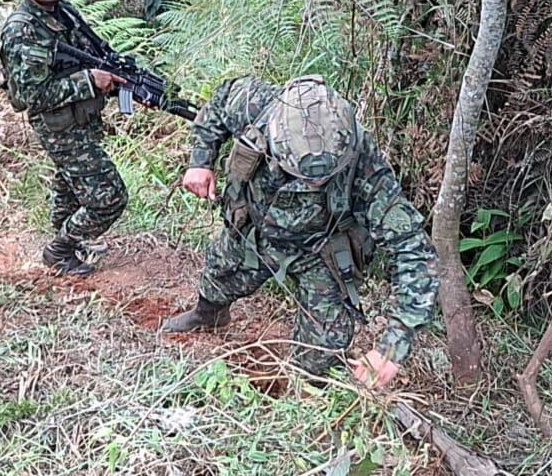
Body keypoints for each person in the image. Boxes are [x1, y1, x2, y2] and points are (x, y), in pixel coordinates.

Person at [162, 75, 439, 388]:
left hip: (321, 252)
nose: (311, 185)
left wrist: (392, 347)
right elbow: (216, 106)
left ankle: (307, 389)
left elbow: (413, 250)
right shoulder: (255, 104)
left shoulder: (363, 160)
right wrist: (200, 161)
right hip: (254, 232)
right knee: (218, 275)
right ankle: (209, 314)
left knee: (320, 358)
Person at [0, 0, 129, 276]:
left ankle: (66, 236)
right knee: (108, 198)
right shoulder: (22, 30)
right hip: (58, 124)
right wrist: (89, 81)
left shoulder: (65, 12)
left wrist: (119, 74)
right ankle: (60, 250)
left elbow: (94, 53)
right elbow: (29, 98)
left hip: (81, 117)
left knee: (70, 184)